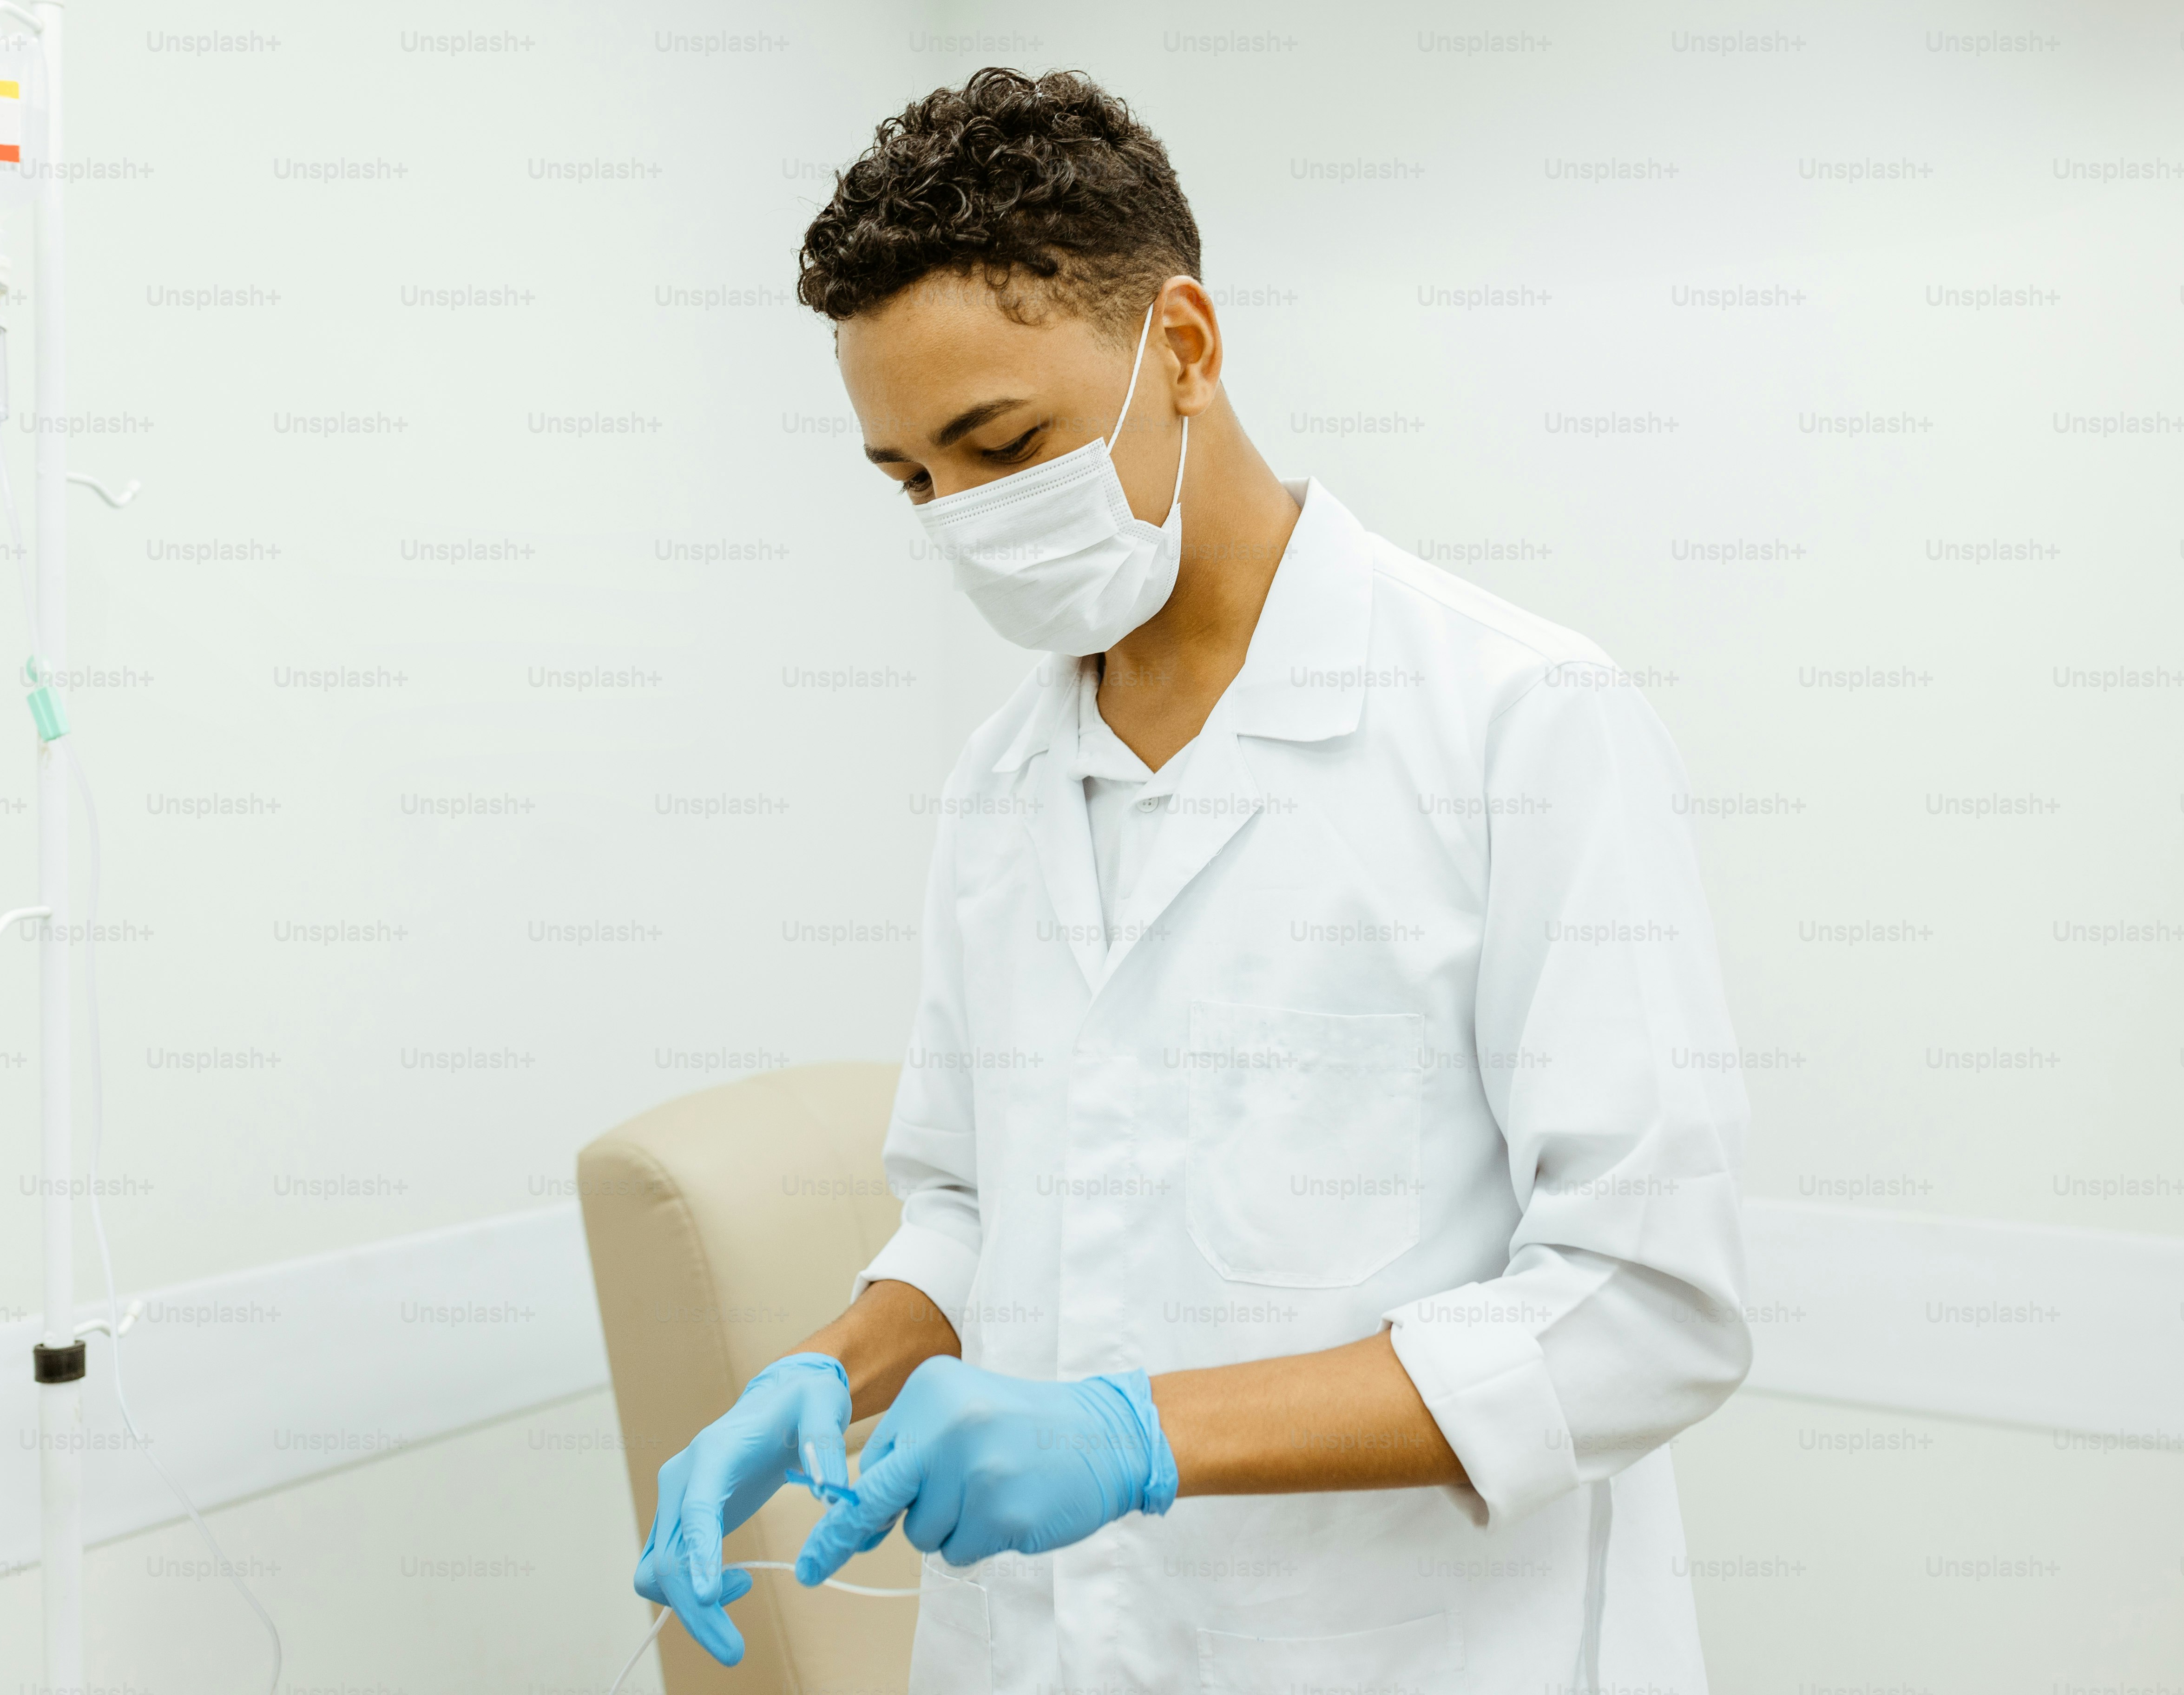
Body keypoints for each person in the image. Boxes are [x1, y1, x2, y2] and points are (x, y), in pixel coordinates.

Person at [635, 66, 1751, 1693]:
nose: (960, 519)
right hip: (1049, 1645)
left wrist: (1128, 1433)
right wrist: (821, 1368)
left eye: (999, 442)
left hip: (1394, 1647)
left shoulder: (1517, 724)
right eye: (908, 481)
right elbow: (976, 1204)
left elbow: (1645, 1307)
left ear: (1185, 347)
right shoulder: (1003, 783)